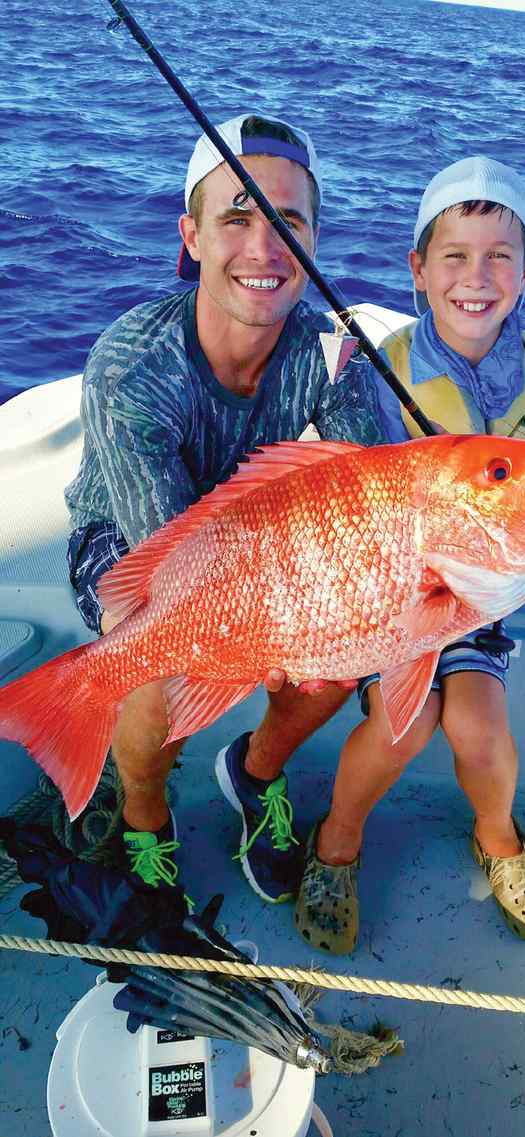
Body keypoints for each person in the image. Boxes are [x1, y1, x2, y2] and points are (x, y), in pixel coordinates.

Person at [64, 112, 387, 902]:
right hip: (133, 543)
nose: (264, 247)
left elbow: (373, 500)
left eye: (287, 220)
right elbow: (171, 570)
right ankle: (143, 813)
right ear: (193, 235)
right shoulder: (130, 364)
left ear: (313, 240)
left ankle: (255, 770)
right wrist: (266, 628)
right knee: (148, 657)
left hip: (266, 546)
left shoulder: (335, 353)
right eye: (237, 217)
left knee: (345, 650)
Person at [292, 155, 525, 953]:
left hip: (487, 595)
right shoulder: (377, 371)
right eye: (454, 256)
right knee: (403, 721)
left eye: (500, 256)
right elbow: (343, 508)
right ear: (417, 271)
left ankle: (497, 837)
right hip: (389, 598)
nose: (477, 277)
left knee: (480, 730)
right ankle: (339, 840)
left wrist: (504, 578)